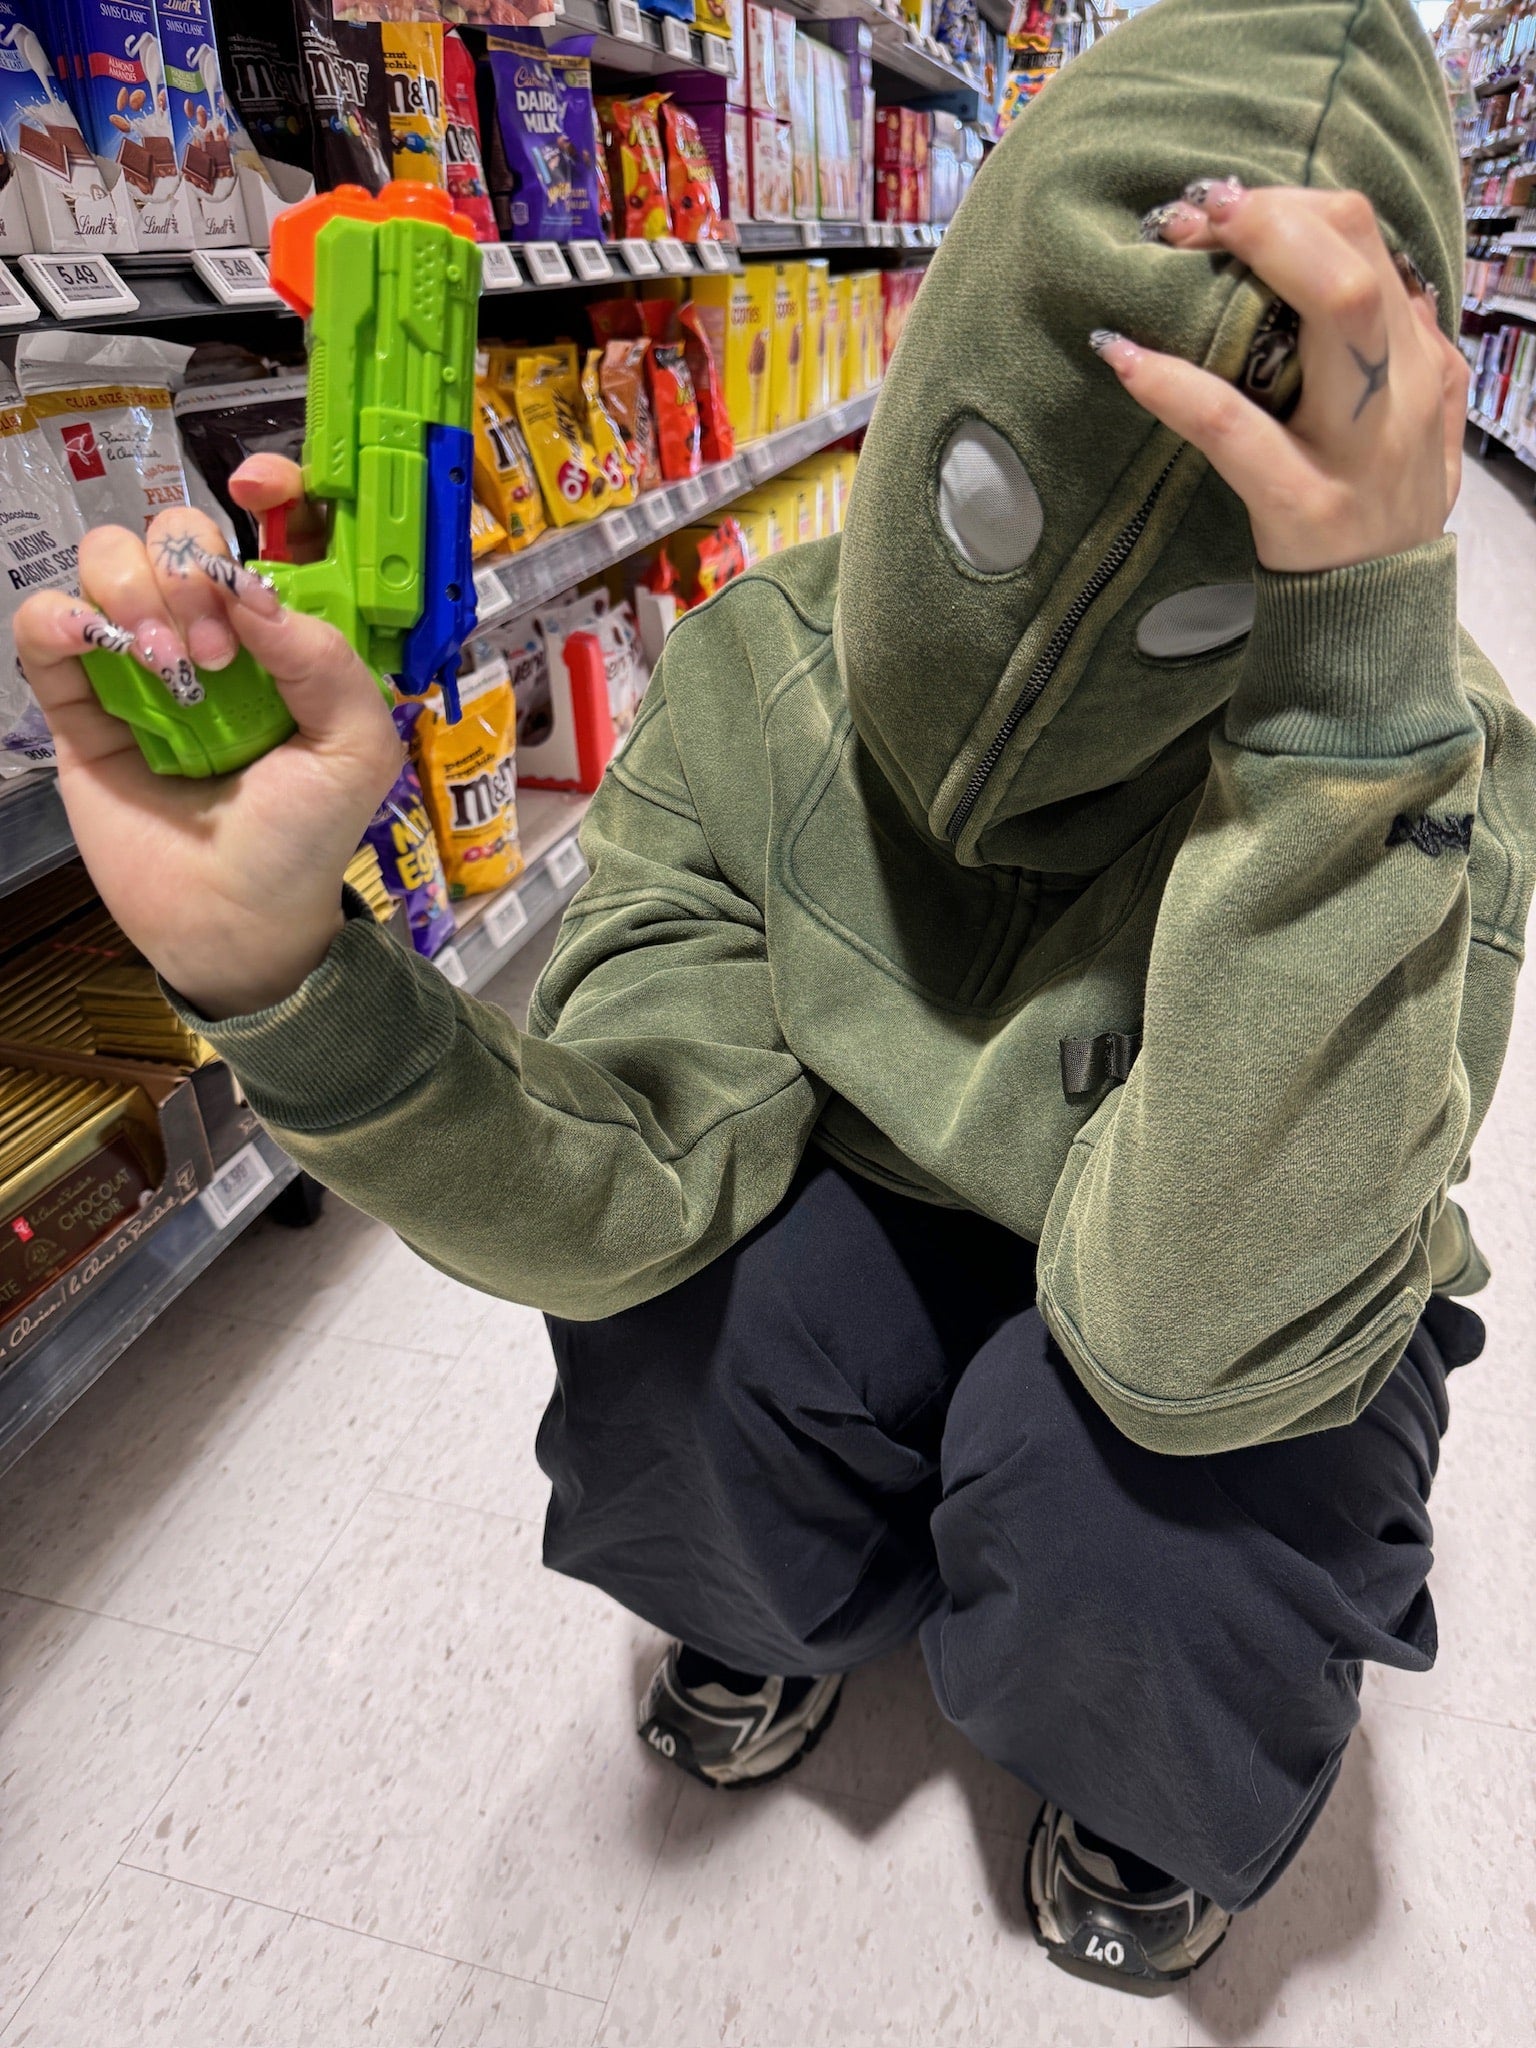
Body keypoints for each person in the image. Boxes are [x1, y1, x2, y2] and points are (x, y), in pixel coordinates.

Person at [17, 0, 1535, 1993]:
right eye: (984, 493)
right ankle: (794, 1589)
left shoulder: (1427, 765)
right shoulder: (759, 668)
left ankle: (1143, 1772)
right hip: (871, 1175)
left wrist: (1339, 720)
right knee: (678, 1349)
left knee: (1172, 1510)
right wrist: (284, 974)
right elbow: (628, 1166)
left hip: (1246, 1279)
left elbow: (1201, 1340)